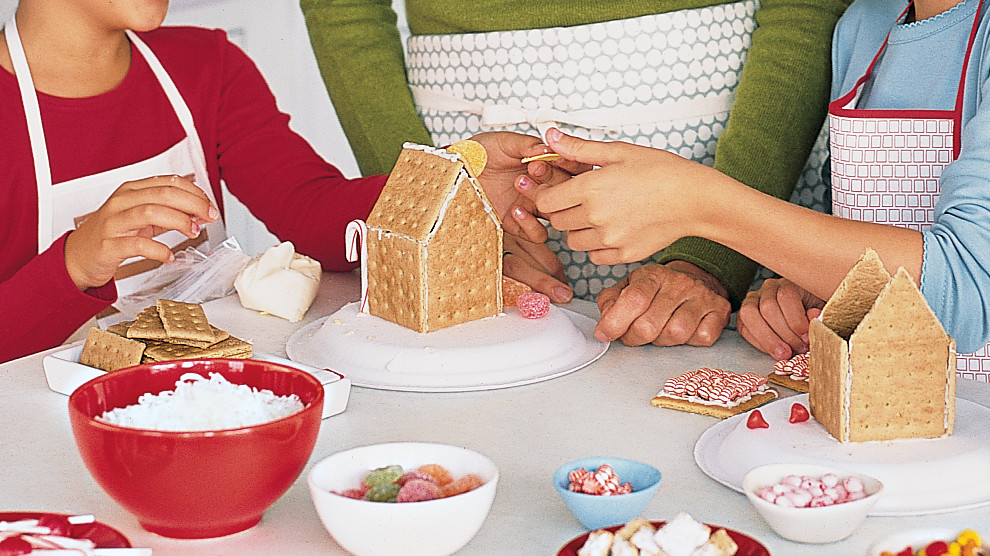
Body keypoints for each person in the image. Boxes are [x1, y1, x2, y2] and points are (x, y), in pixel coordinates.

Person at [0, 0, 552, 364]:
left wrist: (447, 185)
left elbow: (310, 211)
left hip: (197, 401)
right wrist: (73, 264)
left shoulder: (205, 66)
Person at [300, 0, 851, 348]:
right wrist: (440, 220)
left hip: (744, 161)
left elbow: (805, 7)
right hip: (476, 178)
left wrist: (713, 258)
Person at [516, 0, 990, 379]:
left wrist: (698, 205)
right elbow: (853, 233)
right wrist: (808, 289)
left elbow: (964, 294)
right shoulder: (864, 27)